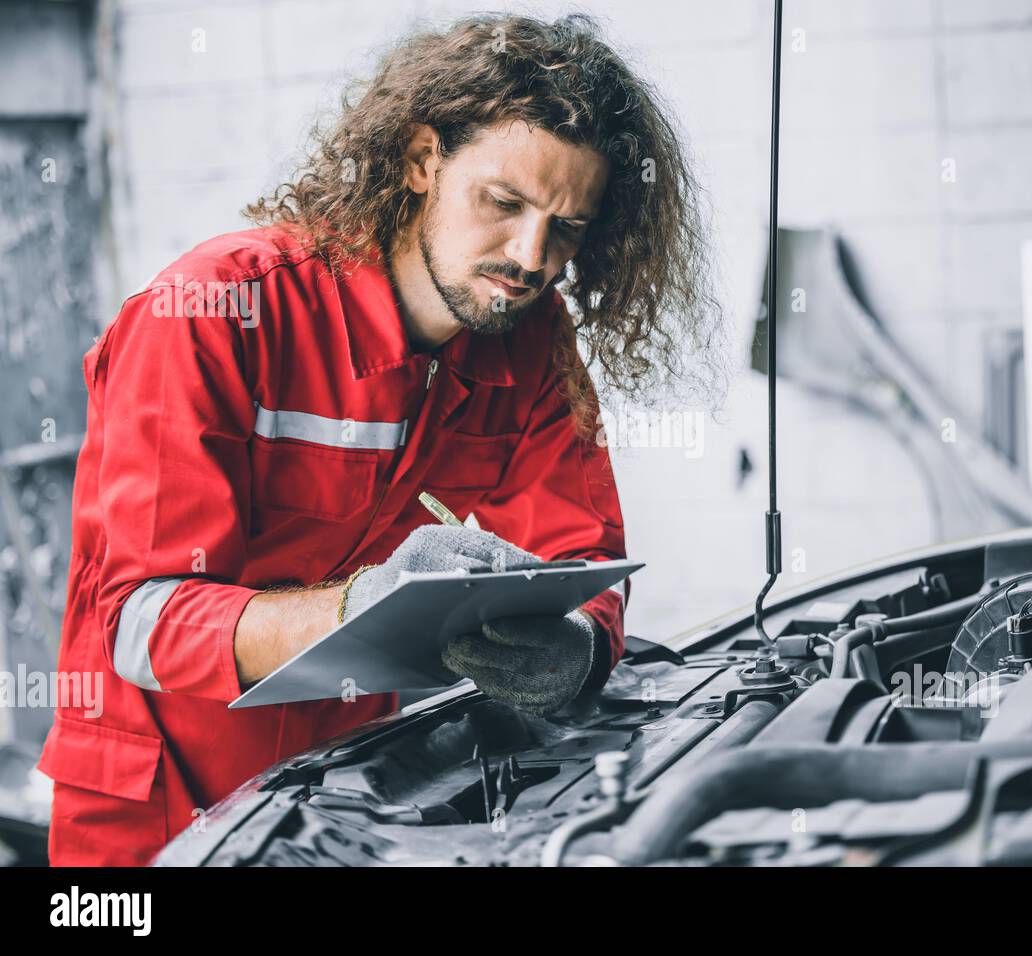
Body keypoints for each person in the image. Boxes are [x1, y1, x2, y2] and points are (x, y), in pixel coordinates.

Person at [38, 13, 722, 866]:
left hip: (341, 791)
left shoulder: (530, 338)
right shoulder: (213, 313)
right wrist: (362, 606)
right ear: (421, 160)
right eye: (502, 202)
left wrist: (575, 647)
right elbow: (137, 626)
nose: (532, 255)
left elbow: (585, 557)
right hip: (155, 809)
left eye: (568, 228)